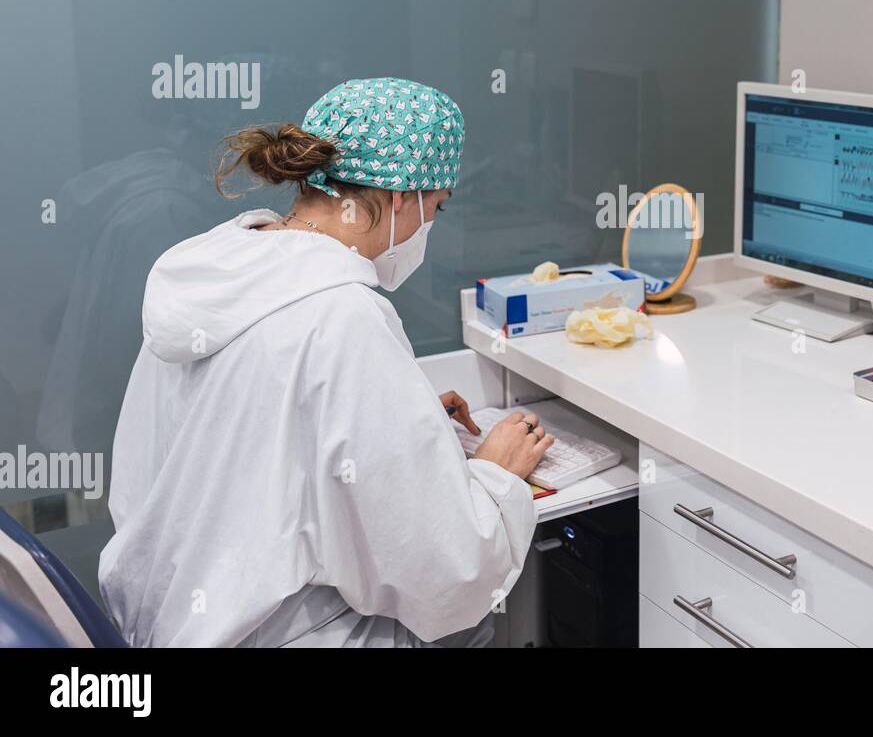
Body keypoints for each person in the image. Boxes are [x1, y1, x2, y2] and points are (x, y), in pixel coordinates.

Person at [98, 77, 553, 647]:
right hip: (282, 632)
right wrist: (494, 473)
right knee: (477, 627)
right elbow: (439, 567)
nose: (429, 225)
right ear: (399, 199)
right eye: (435, 206)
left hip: (168, 615)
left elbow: (239, 431)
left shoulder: (220, 270)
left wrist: (397, 425)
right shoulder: (340, 313)